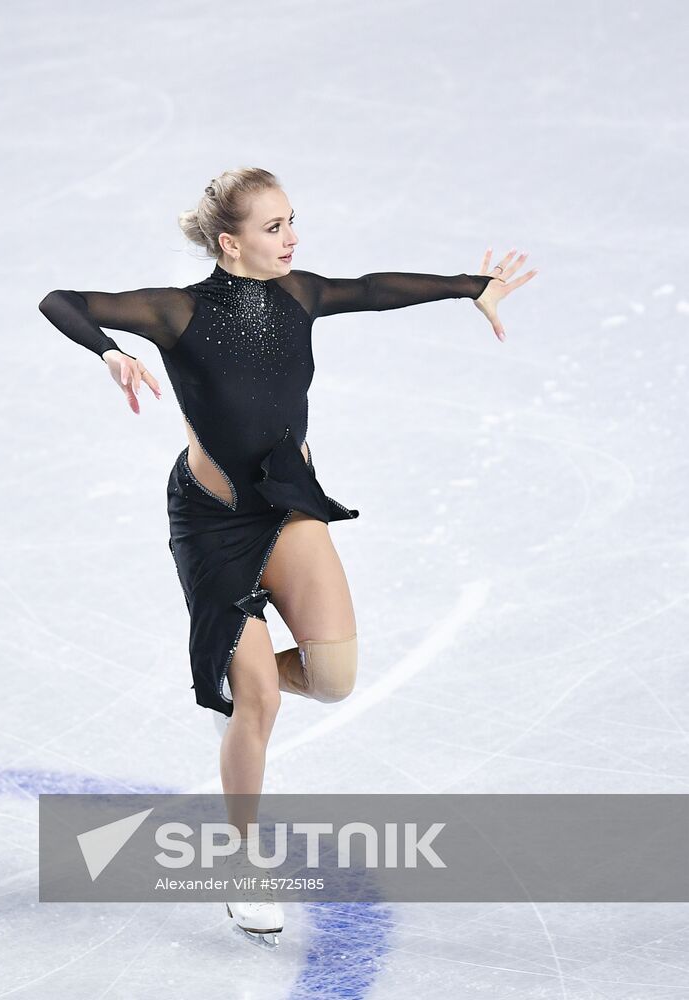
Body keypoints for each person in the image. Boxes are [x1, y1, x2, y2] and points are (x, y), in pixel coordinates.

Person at [39, 168, 536, 945]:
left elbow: (373, 288)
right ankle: (241, 862)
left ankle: (242, 683)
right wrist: (106, 352)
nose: (292, 238)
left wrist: (471, 285)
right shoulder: (175, 312)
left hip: (290, 501)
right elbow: (60, 302)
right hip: (214, 520)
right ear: (229, 242)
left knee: (333, 681)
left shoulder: (298, 295)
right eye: (274, 228)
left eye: (291, 221)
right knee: (260, 702)